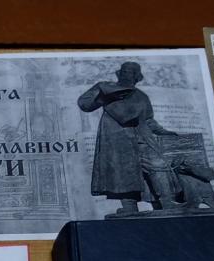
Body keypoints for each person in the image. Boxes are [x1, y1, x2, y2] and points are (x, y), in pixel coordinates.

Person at [78, 61, 190, 215]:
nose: (126, 75)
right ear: (119, 73)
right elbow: (84, 104)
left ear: (137, 76)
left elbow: (149, 120)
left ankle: (166, 203)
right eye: (124, 71)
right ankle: (129, 208)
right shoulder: (108, 90)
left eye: (130, 72)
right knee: (123, 174)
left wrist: (163, 131)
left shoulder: (141, 96)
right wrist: (101, 93)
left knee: (158, 165)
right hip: (118, 141)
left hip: (142, 138)